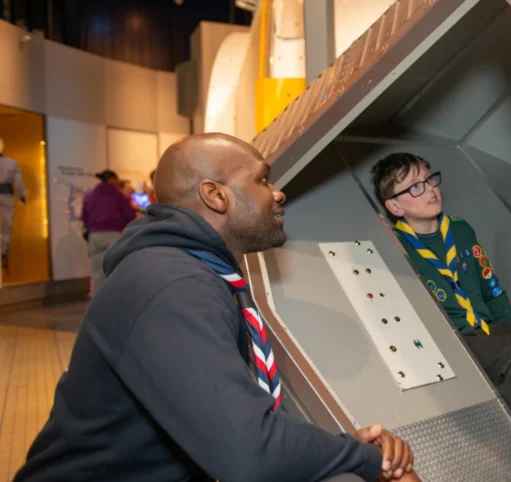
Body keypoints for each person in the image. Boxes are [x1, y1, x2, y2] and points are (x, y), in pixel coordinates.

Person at [15, 133, 418, 482]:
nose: (277, 192)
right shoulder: (172, 285)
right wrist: (368, 458)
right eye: (262, 179)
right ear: (216, 195)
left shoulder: (193, 271)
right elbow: (247, 450)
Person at [371, 153, 511, 460]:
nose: (429, 189)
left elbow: (491, 289)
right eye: (415, 187)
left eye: (429, 179)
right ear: (395, 206)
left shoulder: (460, 230)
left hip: (487, 330)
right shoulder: (395, 246)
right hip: (451, 341)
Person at [80, 169, 138, 295]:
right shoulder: (118, 196)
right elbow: (130, 216)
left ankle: (98, 305)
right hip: (114, 236)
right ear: (112, 180)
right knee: (116, 272)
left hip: (94, 236)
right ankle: (114, 302)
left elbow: (84, 218)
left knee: (97, 274)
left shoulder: (90, 196)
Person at [0, 137, 26, 270]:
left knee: (6, 226)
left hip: (6, 195)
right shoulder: (11, 163)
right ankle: (3, 250)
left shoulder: (12, 163)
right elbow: (18, 181)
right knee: (6, 226)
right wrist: (22, 196)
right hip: (5, 196)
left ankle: (3, 250)